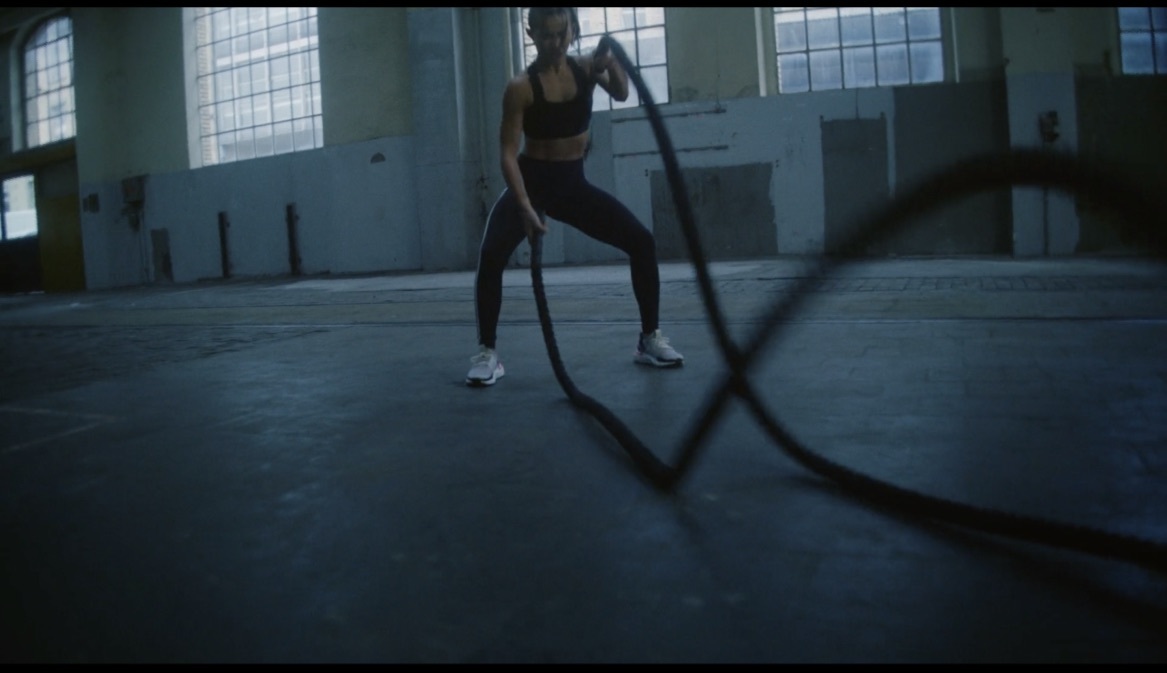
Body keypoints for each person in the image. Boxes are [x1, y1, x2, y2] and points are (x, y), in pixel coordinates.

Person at [466, 7, 684, 387]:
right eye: (547, 35)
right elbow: (506, 154)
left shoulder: (586, 69)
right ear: (531, 33)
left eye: (562, 33)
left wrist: (610, 63)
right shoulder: (521, 87)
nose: (556, 43)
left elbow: (620, 91)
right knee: (490, 255)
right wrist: (524, 206)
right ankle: (487, 352)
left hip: (572, 185)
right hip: (532, 183)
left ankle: (649, 339)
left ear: (573, 30)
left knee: (641, 242)